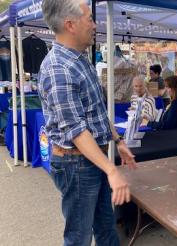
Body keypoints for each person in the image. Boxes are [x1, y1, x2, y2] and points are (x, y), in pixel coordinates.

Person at [39, 1, 137, 245]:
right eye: (90, 18)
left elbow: (97, 113)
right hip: (76, 164)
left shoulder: (79, 59)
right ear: (70, 25)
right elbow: (77, 131)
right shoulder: (58, 68)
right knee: (78, 238)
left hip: (88, 161)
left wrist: (118, 140)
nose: (95, 24)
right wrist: (112, 170)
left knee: (106, 229)